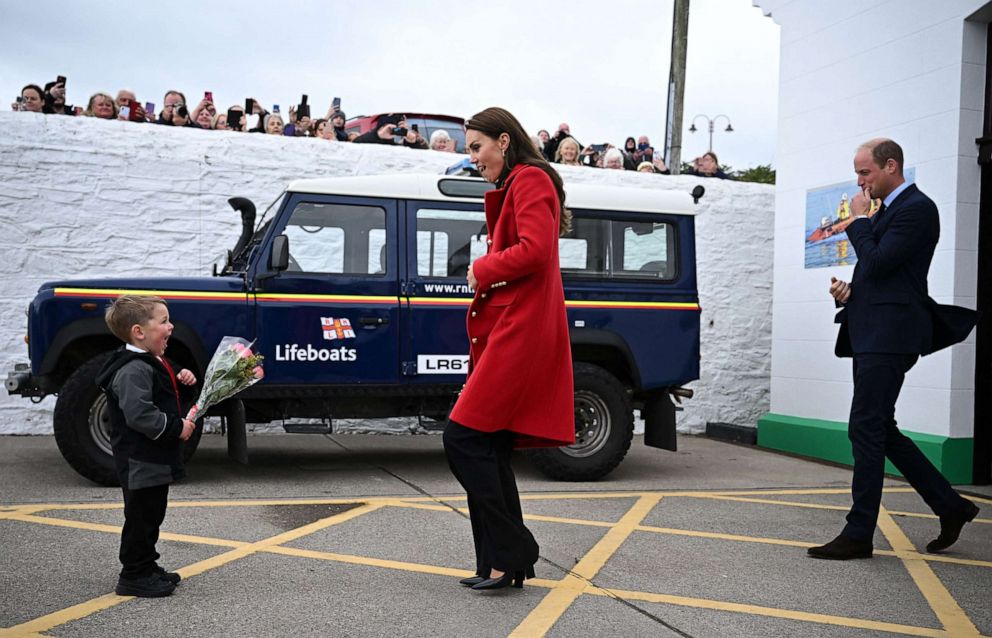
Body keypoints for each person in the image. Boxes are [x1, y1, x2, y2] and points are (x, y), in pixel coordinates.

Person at [809, 138, 979, 560]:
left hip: (891, 336)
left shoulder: (918, 209)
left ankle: (858, 533)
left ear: (890, 166)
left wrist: (859, 222)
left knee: (865, 427)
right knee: (880, 428)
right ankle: (951, 506)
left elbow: (881, 262)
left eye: (865, 172)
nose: (859, 181)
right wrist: (850, 294)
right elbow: (880, 274)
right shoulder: (889, 211)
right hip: (873, 330)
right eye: (857, 173)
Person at [445, 106, 574, 591]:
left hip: (520, 331)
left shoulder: (530, 179)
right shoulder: (516, 184)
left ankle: (514, 549)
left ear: (503, 140)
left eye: (477, 147)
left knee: (463, 438)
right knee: (490, 446)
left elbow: (537, 250)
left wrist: (484, 266)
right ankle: (501, 564)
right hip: (509, 329)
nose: (473, 158)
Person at [95, 295, 197, 597]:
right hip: (141, 460)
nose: (171, 326)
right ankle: (134, 574)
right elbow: (140, 414)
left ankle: (148, 566)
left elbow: (163, 389)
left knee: (153, 514)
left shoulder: (150, 360)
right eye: (164, 321)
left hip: (153, 458)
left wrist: (184, 379)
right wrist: (178, 428)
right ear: (139, 332)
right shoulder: (133, 369)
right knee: (141, 517)